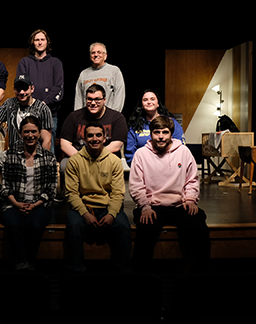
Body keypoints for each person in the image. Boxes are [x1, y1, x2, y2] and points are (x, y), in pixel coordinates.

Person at [128, 115, 210, 273]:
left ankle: (200, 275)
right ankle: (141, 278)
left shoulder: (183, 152)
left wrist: (191, 199)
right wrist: (144, 206)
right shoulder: (141, 154)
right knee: (145, 233)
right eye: (156, 132)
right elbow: (137, 185)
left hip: (179, 205)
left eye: (164, 132)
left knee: (199, 227)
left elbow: (192, 180)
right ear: (150, 134)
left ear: (171, 134)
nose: (160, 136)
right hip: (152, 206)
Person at [64, 123, 132, 272]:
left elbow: (118, 193)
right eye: (90, 135)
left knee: (123, 226)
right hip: (84, 207)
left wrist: (112, 214)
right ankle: (75, 270)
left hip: (107, 207)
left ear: (105, 138)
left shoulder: (113, 161)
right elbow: (71, 193)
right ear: (84, 138)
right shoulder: (75, 161)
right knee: (74, 226)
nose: (94, 139)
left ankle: (123, 271)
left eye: (98, 135)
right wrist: (85, 214)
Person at [0, 116, 58, 271]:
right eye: (26, 132)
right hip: (14, 203)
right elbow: (5, 186)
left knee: (34, 224)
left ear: (39, 133)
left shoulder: (49, 157)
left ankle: (30, 262)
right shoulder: (11, 155)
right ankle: (21, 263)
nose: (30, 135)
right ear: (20, 134)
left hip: (39, 204)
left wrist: (34, 205)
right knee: (14, 224)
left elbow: (51, 189)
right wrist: (17, 204)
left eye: (33, 131)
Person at [0, 74, 52, 171]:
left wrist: (42, 161)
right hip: (12, 154)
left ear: (32, 89)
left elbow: (46, 139)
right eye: (18, 89)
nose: (22, 92)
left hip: (33, 156)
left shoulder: (42, 109)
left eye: (25, 89)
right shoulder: (9, 104)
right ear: (14, 90)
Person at [16, 29, 64, 152]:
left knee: (48, 151)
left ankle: (47, 171)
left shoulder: (55, 63)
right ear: (32, 42)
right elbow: (21, 86)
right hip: (28, 114)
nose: (39, 42)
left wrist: (43, 104)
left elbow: (58, 88)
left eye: (42, 39)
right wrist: (34, 105)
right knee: (25, 149)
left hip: (50, 114)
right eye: (37, 40)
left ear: (47, 42)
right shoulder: (25, 62)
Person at [59, 83, 128, 166]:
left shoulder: (117, 117)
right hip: (79, 157)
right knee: (64, 165)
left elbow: (116, 146)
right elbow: (64, 144)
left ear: (104, 100)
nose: (93, 103)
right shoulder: (74, 117)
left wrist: (96, 159)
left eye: (97, 99)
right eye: (89, 99)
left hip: (106, 158)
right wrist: (82, 159)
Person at [125, 89, 185, 165]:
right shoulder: (135, 126)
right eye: (145, 100)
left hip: (169, 166)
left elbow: (180, 146)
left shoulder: (171, 122)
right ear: (142, 105)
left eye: (152, 99)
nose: (149, 102)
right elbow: (130, 153)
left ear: (158, 103)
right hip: (144, 167)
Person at [73, 42, 126, 112]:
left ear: (105, 56)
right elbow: (79, 98)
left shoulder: (114, 71)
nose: (96, 55)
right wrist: (78, 117)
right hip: (87, 119)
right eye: (93, 53)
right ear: (90, 56)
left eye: (99, 52)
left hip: (107, 118)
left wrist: (113, 116)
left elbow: (119, 96)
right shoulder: (83, 74)